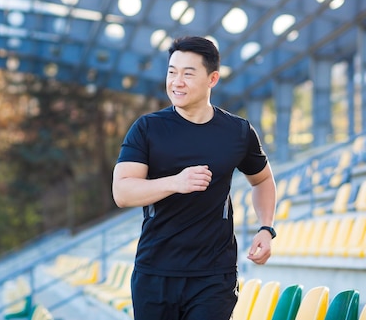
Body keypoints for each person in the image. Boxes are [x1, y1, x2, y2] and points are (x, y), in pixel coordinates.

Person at [112, 35, 277, 320]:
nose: (177, 81)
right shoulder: (147, 129)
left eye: (188, 74)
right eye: (172, 72)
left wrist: (266, 228)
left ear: (212, 79)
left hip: (214, 275)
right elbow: (122, 192)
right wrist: (175, 182)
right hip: (155, 272)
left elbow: (262, 180)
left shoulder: (238, 132)